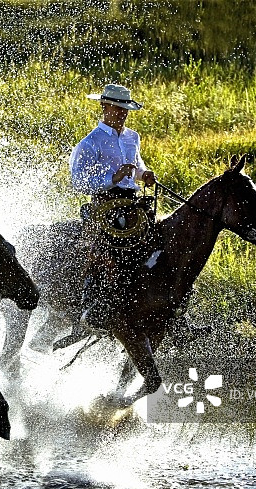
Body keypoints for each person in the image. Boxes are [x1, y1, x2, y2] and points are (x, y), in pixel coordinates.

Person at [69, 84, 158, 317]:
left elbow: (137, 166)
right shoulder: (91, 142)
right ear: (104, 106)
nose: (122, 113)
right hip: (106, 203)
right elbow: (78, 181)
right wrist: (113, 177)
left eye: (125, 109)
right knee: (105, 247)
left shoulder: (132, 137)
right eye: (117, 108)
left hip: (132, 202)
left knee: (160, 240)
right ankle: (93, 300)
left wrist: (144, 175)